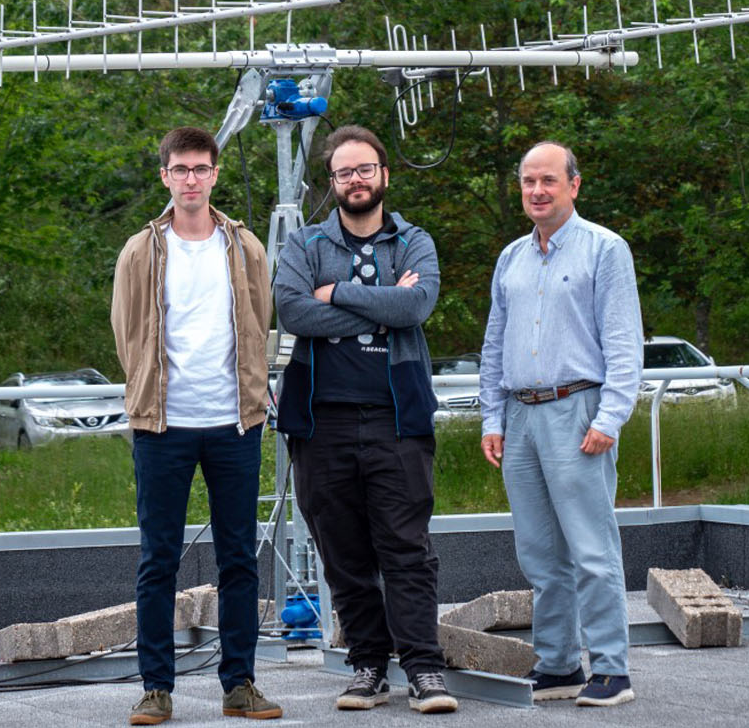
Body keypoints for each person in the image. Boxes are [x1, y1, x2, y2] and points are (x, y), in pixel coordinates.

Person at [272, 125, 457, 714]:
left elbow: (416, 304)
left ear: (383, 175)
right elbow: (294, 312)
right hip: (320, 425)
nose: (356, 180)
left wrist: (337, 294)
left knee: (406, 549)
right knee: (343, 553)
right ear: (333, 183)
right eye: (344, 172)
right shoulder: (305, 244)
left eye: (365, 169)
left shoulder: (413, 241)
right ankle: (368, 665)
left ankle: (424, 670)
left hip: (396, 422)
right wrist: (376, 310)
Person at [111, 126, 282, 725]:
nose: (190, 179)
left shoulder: (244, 247)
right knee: (158, 559)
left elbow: (259, 321)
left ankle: (239, 683)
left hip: (235, 423)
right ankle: (155, 687)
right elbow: (126, 332)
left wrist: (255, 394)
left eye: (200, 169)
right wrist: (145, 395)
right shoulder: (140, 250)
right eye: (179, 169)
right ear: (165, 176)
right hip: (163, 426)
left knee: (239, 557)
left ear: (214, 175)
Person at [478, 140, 643, 708]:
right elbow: (494, 345)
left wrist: (612, 416)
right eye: (528, 182)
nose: (537, 191)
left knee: (591, 549)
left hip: (578, 410)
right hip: (519, 415)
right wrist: (491, 418)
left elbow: (624, 342)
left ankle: (612, 671)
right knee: (539, 553)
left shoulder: (605, 249)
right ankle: (557, 665)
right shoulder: (510, 258)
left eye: (548, 181)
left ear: (574, 185)